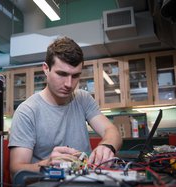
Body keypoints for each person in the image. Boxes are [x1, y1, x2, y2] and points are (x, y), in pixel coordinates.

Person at [8, 36, 122, 176]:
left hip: (85, 181)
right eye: (62, 74)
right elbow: (16, 167)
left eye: (75, 76)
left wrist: (107, 146)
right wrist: (47, 164)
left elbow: (111, 130)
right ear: (46, 69)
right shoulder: (27, 111)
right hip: (47, 185)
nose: (69, 84)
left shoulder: (83, 99)